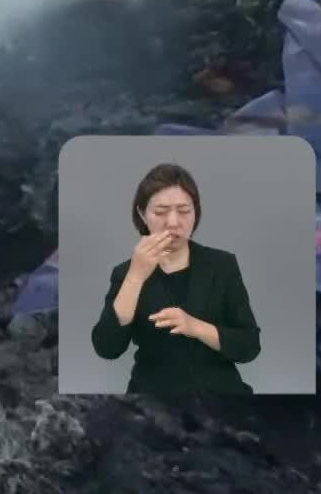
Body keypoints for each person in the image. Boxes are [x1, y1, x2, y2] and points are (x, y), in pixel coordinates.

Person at [91, 163, 260, 393]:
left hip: (221, 396)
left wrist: (195, 326)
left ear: (196, 213)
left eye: (184, 211)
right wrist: (136, 276)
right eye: (160, 212)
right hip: (153, 402)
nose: (173, 222)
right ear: (142, 214)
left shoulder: (221, 265)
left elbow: (249, 347)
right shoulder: (125, 273)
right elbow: (107, 348)